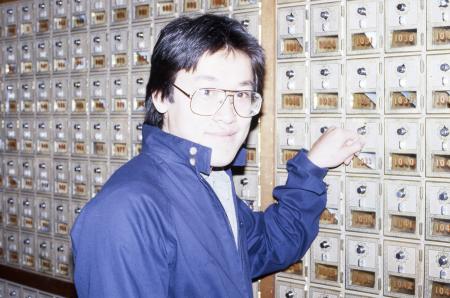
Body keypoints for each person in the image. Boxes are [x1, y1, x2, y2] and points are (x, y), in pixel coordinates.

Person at [70, 14, 364, 297]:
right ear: (160, 97)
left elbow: (266, 246)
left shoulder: (208, 180)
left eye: (241, 95)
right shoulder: (124, 212)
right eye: (207, 92)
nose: (228, 116)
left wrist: (312, 167)